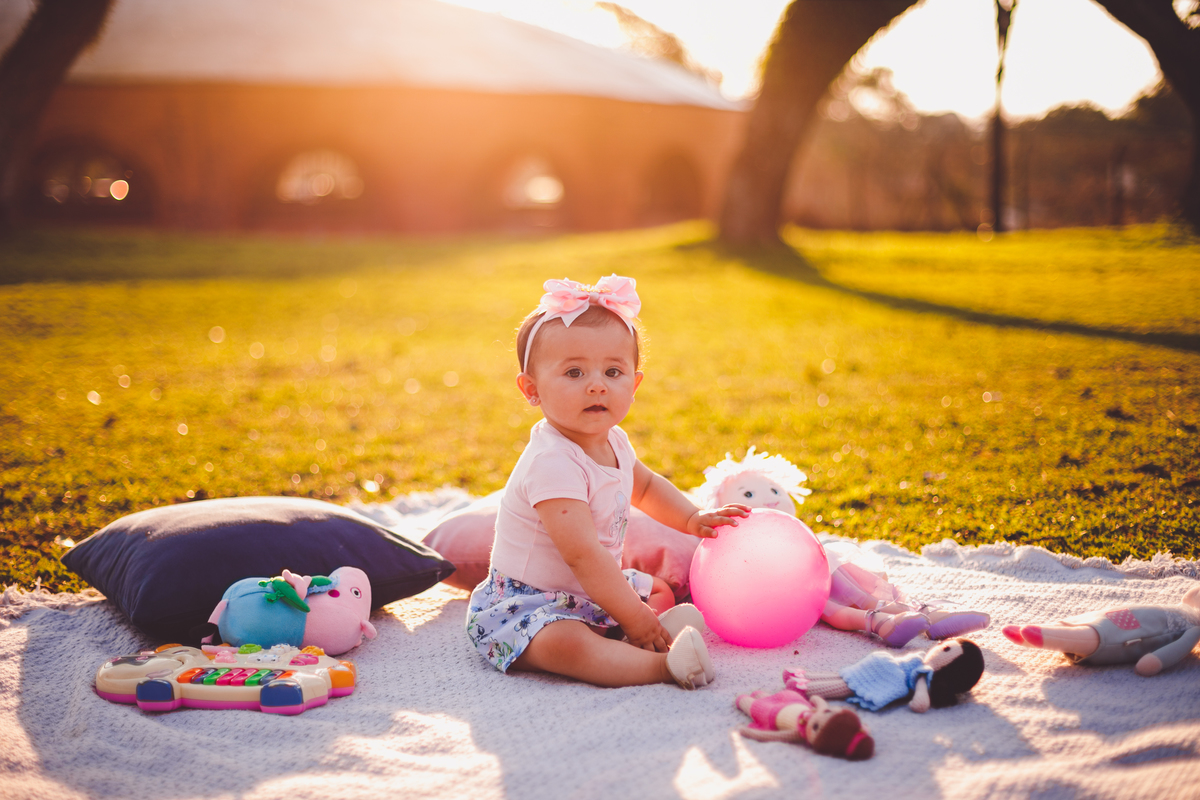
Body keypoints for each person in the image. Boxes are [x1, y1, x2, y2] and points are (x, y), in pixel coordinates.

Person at [466, 275, 749, 689]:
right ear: (531, 389)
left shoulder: (614, 440)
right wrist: (634, 617)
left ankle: (642, 638)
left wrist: (692, 518)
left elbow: (646, 487)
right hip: (531, 602)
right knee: (565, 645)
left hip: (590, 591)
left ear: (634, 384)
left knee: (658, 590)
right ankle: (662, 665)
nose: (597, 385)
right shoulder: (551, 461)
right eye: (574, 372)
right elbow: (582, 555)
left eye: (613, 371)